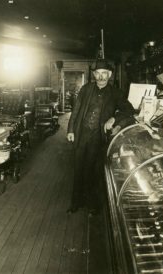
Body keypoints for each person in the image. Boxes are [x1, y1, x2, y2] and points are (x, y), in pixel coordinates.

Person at [66, 59, 135, 216]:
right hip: (82, 133)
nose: (101, 77)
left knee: (94, 171)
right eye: (98, 73)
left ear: (109, 75)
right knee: (78, 167)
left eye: (104, 73)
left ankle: (93, 206)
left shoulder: (115, 93)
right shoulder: (86, 89)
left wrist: (114, 119)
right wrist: (71, 130)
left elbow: (129, 110)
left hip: (98, 137)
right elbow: (76, 110)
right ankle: (76, 203)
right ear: (94, 75)